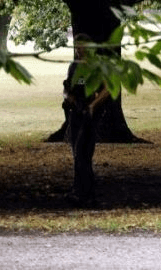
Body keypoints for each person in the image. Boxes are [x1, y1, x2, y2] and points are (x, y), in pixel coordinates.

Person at [62, 34, 111, 206]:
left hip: (91, 115)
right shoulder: (74, 67)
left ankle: (86, 193)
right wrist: (68, 98)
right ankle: (80, 191)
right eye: (77, 47)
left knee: (84, 151)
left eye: (82, 47)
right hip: (76, 112)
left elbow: (107, 90)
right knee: (77, 152)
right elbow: (67, 88)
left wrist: (93, 106)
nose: (79, 50)